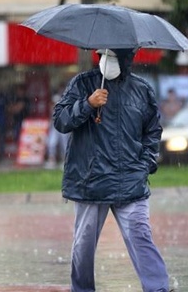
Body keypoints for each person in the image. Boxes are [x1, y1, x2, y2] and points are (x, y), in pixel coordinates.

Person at [52, 48, 171, 292]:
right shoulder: (83, 84)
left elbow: (152, 131)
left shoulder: (141, 90)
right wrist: (87, 104)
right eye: (102, 54)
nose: (107, 60)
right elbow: (61, 120)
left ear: (127, 58)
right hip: (90, 180)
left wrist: (146, 164)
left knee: (141, 236)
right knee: (83, 245)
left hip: (131, 181)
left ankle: (158, 288)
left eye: (114, 56)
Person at [45, 89, 69, 169]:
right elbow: (51, 120)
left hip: (63, 128)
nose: (54, 104)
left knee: (65, 145)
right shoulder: (52, 110)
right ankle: (51, 160)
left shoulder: (64, 108)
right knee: (51, 143)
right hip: (54, 128)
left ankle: (65, 162)